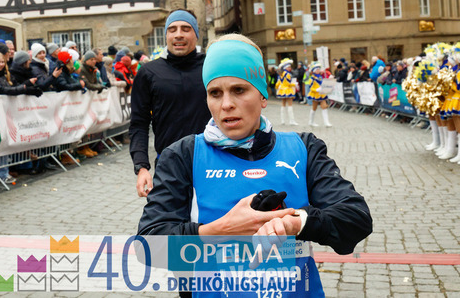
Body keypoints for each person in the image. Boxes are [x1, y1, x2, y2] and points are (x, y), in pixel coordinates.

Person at [137, 34, 372, 296]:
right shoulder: (183, 155)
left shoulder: (303, 148)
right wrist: (220, 230)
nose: (226, 104)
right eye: (215, 93)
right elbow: (148, 247)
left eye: (239, 90)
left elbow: (356, 218)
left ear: (262, 96)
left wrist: (296, 223)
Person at [130, 9, 211, 198]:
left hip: (211, 164)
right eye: (172, 29)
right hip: (169, 166)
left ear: (196, 35)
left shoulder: (211, 67)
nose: (178, 34)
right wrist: (141, 167)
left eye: (186, 29)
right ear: (166, 36)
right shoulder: (149, 72)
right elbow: (139, 124)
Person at [306, 61, 332, 127]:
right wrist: (316, 90)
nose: (318, 70)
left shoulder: (320, 77)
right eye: (317, 69)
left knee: (324, 106)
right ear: (313, 70)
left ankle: (326, 122)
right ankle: (311, 121)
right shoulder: (312, 78)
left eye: (319, 69)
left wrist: (328, 80)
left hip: (321, 93)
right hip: (315, 94)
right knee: (314, 108)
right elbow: (311, 88)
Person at [275, 58, 299, 126]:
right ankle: (291, 120)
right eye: (289, 67)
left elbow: (278, 83)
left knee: (283, 104)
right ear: (286, 67)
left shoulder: (281, 74)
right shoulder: (288, 74)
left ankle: (282, 120)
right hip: (288, 90)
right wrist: (295, 84)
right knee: (290, 105)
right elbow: (288, 83)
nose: (290, 68)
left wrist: (278, 87)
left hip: (282, 90)